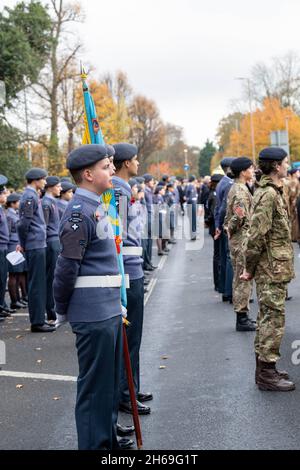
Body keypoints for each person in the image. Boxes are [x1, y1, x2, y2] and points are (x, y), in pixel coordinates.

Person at [53, 144, 129, 450]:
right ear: (87, 174)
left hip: (107, 309)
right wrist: (61, 308)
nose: (112, 170)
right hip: (92, 313)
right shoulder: (77, 212)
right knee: (94, 389)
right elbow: (66, 267)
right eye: (105, 166)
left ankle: (106, 440)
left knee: (108, 386)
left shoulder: (96, 206)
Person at [241, 147, 295, 391]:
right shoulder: (269, 195)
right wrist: (248, 268)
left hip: (274, 267)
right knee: (273, 318)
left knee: (268, 317)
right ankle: (266, 372)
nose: (287, 165)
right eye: (285, 162)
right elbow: (255, 236)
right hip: (270, 268)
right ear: (275, 166)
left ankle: (266, 368)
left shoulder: (272, 191)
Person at [112, 143, 152, 416]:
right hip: (128, 271)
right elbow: (121, 233)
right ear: (126, 163)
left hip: (132, 268)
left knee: (133, 336)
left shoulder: (123, 190)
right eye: (135, 160)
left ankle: (132, 387)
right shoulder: (120, 190)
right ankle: (126, 393)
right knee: (130, 337)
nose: (138, 164)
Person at [18, 168, 55, 333]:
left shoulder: (33, 196)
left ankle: (39, 319)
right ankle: (37, 321)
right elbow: (23, 224)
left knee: (39, 283)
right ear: (36, 180)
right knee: (37, 284)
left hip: (37, 243)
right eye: (44, 179)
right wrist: (24, 243)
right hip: (34, 244)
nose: (45, 182)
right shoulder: (29, 196)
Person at [224, 157, 256, 332]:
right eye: (251, 168)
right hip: (242, 239)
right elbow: (240, 215)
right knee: (243, 278)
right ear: (243, 172)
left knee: (241, 278)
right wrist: (230, 228)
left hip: (239, 239)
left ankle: (243, 316)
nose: (253, 170)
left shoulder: (237, 188)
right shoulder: (240, 190)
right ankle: (242, 318)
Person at [214, 157, 235, 302]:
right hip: (228, 225)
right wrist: (221, 225)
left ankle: (225, 289)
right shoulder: (229, 184)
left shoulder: (223, 182)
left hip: (222, 224)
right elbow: (222, 208)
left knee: (225, 257)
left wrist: (218, 225)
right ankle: (229, 291)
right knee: (230, 258)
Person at [42, 176, 62, 323]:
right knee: (51, 278)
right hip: (50, 242)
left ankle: (53, 308)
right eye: (58, 186)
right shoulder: (46, 203)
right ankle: (51, 310)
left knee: (55, 277)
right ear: (50, 187)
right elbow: (44, 226)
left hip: (55, 241)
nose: (60, 188)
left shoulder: (52, 201)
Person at [6, 193, 28, 310]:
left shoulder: (14, 214)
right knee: (13, 275)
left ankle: (19, 299)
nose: (20, 204)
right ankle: (14, 301)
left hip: (17, 246)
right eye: (18, 202)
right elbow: (8, 232)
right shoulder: (9, 215)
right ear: (13, 203)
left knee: (19, 274)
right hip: (12, 247)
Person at [205, 174, 223, 292]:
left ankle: (218, 282)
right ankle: (218, 282)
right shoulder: (215, 195)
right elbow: (214, 213)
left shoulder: (211, 193)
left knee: (217, 255)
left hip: (212, 227)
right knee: (218, 256)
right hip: (215, 227)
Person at [0, 175, 9, 320]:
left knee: (2, 279)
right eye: (3, 192)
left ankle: (1, 306)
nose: (6, 194)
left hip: (3, 246)